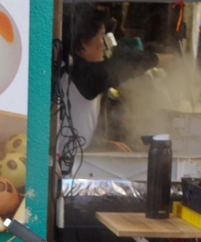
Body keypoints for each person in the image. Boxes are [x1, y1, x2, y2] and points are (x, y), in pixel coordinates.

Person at [57, 4, 162, 169]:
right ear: (84, 42)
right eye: (101, 36)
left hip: (73, 164)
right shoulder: (80, 73)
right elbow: (121, 66)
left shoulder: (73, 70)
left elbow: (73, 130)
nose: (105, 45)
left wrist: (100, 144)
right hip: (66, 170)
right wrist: (158, 59)